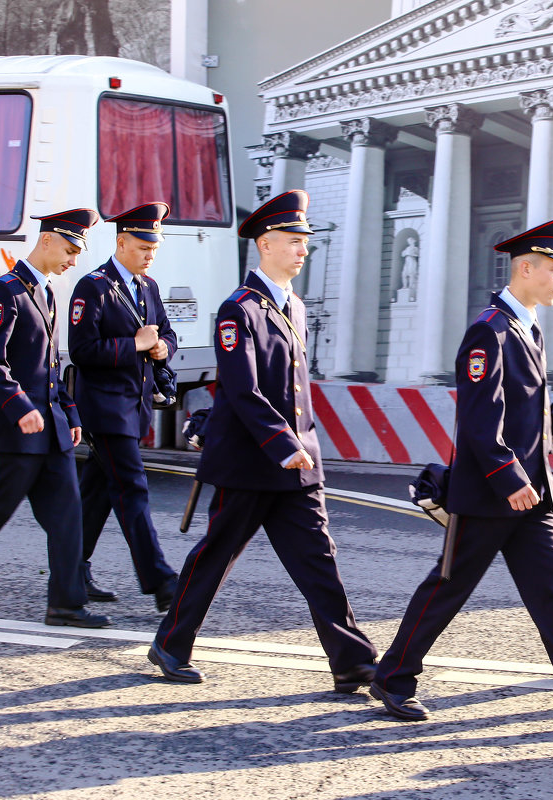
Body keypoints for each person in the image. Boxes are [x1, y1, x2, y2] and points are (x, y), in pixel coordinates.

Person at [370, 218, 553, 731]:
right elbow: (480, 422)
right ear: (526, 268)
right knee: (448, 587)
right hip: (491, 494)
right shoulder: (490, 330)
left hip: (531, 494)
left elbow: (528, 411)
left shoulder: (526, 327)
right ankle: (393, 677)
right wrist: (509, 477)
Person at [149, 190, 377, 687]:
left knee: (319, 560)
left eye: (306, 242)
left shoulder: (292, 305)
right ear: (266, 243)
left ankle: (352, 661)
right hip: (251, 462)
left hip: (297, 463)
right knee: (216, 557)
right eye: (294, 241)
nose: (303, 250)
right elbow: (243, 388)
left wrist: (304, 446)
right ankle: (170, 645)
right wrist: (283, 443)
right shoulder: (239, 310)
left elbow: (294, 388)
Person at [0, 209, 110, 628]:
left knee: (68, 513)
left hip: (50, 429)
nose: (73, 260)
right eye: (69, 250)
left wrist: (68, 412)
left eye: (77, 253)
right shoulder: (6, 291)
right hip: (16, 429)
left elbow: (49, 368)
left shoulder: (47, 294)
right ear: (46, 240)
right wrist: (20, 408)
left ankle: (65, 604)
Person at [69, 202, 178, 612]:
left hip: (133, 408)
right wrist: (134, 345)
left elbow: (164, 333)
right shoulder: (93, 286)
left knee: (96, 493)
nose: (151, 254)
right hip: (105, 408)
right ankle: (161, 580)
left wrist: (164, 345)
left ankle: (71, 571)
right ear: (122, 241)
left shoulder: (147, 287)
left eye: (155, 247)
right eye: (144, 245)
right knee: (132, 488)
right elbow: (82, 350)